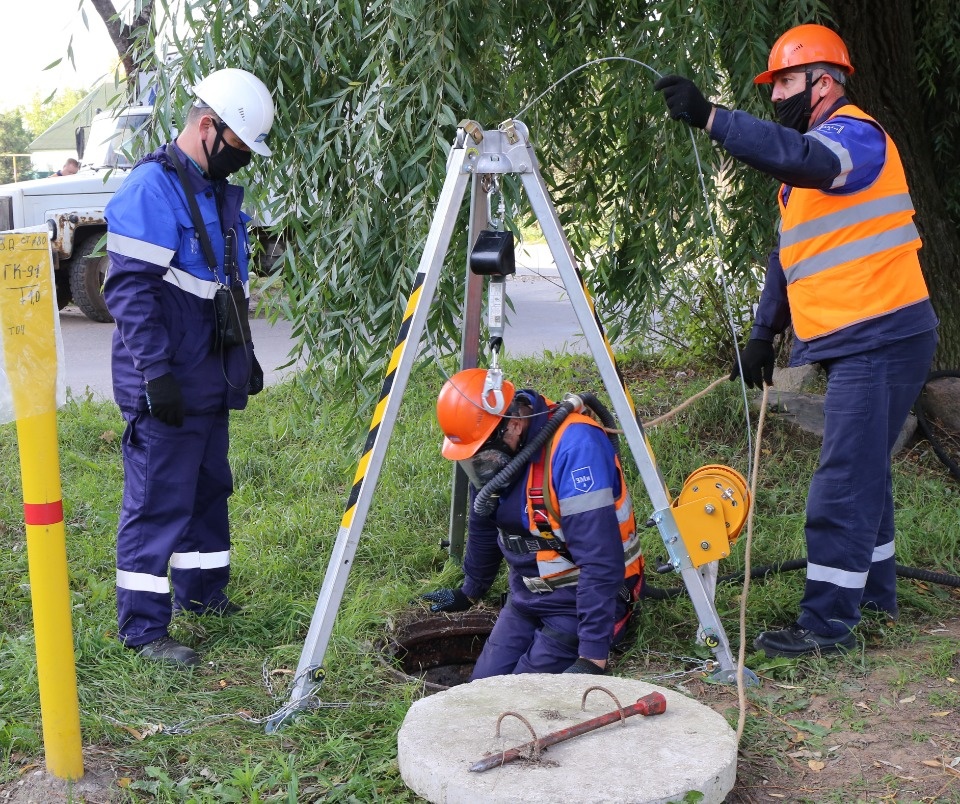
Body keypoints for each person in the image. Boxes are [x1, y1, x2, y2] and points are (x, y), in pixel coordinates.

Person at [655, 24, 938, 658]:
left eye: (785, 81)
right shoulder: (806, 169)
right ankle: (872, 596)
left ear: (824, 81)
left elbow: (801, 156)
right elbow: (791, 256)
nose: (776, 93)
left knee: (841, 480)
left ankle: (826, 625)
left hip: (883, 335)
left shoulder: (853, 137)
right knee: (863, 471)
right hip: (862, 337)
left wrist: (711, 118)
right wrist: (763, 337)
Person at [103, 68, 275, 667]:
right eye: (238, 147)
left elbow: (226, 285)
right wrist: (155, 375)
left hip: (208, 376)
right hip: (168, 380)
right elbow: (129, 294)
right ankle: (144, 630)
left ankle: (203, 595)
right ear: (208, 127)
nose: (242, 161)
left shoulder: (217, 193)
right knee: (158, 502)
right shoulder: (151, 189)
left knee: (207, 491)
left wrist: (244, 354)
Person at [423, 368, 644, 677]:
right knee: (480, 689)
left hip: (580, 602)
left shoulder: (576, 447)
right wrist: (470, 590)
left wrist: (593, 656)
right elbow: (484, 521)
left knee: (519, 702)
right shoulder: (493, 453)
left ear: (513, 423)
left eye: (483, 452)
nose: (481, 464)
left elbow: (600, 560)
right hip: (527, 596)